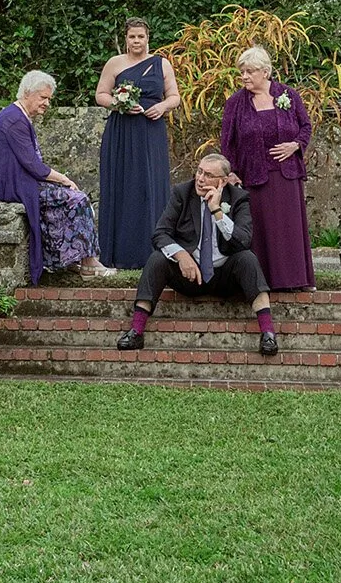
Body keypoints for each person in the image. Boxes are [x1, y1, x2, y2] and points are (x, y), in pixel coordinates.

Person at [115, 152, 278, 356]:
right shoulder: (182, 193)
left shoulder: (238, 198)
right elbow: (160, 234)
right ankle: (136, 331)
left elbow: (243, 240)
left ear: (223, 181)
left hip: (226, 276)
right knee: (157, 259)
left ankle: (268, 333)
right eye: (199, 171)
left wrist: (217, 211)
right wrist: (182, 255)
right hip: (189, 276)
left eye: (208, 175)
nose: (200, 179)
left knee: (248, 259)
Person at [0, 70, 112, 283]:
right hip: (12, 186)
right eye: (43, 98)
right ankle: (87, 263)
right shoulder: (14, 120)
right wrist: (63, 179)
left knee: (69, 197)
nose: (47, 103)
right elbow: (33, 165)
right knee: (76, 199)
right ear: (26, 93)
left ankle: (71, 260)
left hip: (18, 181)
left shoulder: (17, 116)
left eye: (49, 99)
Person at [219, 44, 314, 292]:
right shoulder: (235, 104)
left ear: (265, 72)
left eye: (250, 71)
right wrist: (231, 172)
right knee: (260, 230)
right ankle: (262, 281)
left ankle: (295, 280)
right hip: (253, 176)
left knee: (288, 227)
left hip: (287, 175)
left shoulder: (288, 95)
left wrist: (295, 145)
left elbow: (306, 127)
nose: (244, 77)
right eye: (242, 72)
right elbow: (227, 141)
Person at [94, 17, 178, 270]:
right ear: (126, 39)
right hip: (122, 131)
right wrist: (120, 104)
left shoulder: (162, 64)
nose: (136, 41)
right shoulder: (115, 63)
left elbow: (174, 96)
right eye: (132, 37)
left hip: (151, 130)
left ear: (147, 38)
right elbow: (100, 95)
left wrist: (162, 107)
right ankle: (118, 253)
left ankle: (152, 252)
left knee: (149, 185)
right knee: (123, 185)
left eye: (140, 36)